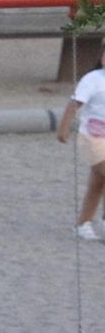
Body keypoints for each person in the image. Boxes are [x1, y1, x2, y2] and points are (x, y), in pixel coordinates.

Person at [59, 58, 105, 241]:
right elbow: (74, 104)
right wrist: (63, 128)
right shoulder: (92, 79)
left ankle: (83, 223)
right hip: (92, 136)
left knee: (97, 183)